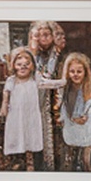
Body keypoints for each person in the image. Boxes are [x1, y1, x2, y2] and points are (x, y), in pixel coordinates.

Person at [0, 46, 46, 172]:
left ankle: (30, 160)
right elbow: (6, 94)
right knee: (16, 134)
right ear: (13, 65)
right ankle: (16, 159)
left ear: (32, 66)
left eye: (27, 64)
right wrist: (4, 106)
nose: (23, 67)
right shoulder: (12, 80)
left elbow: (47, 83)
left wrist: (63, 81)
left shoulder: (35, 79)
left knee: (30, 135)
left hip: (31, 114)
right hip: (16, 114)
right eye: (19, 64)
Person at [28, 20, 66, 168]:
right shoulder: (29, 56)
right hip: (35, 103)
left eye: (46, 34)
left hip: (53, 104)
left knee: (54, 142)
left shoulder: (59, 57)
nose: (42, 38)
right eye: (38, 35)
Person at [59, 51, 91, 171]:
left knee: (86, 160)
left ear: (85, 72)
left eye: (79, 71)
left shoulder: (90, 87)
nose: (75, 75)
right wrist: (63, 118)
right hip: (71, 124)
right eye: (72, 71)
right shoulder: (65, 88)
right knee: (70, 155)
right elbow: (63, 105)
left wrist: (85, 116)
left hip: (85, 125)